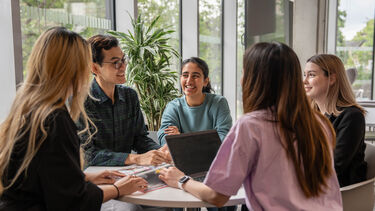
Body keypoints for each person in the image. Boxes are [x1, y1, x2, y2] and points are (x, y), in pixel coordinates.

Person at [158, 42, 342, 210]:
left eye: (244, 72)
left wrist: (181, 180)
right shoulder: (319, 123)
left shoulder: (251, 126)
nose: (241, 79)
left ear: (256, 79)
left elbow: (216, 196)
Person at [0, 27, 148, 211]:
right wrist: (118, 189)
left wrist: (84, 178)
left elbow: (44, 177)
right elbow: (74, 201)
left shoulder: (30, 109)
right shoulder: (54, 120)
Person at [79, 34, 170, 167]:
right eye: (115, 62)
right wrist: (134, 159)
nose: (123, 67)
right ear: (95, 68)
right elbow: (87, 154)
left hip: (128, 174)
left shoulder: (130, 96)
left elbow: (139, 139)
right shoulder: (81, 101)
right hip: (95, 177)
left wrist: (159, 151)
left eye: (123, 60)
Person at [304, 54, 367, 187]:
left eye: (311, 75)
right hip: (313, 185)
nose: (304, 81)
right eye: (305, 75)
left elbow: (333, 166)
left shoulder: (352, 117)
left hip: (339, 192)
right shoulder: (311, 115)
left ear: (332, 79)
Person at [157, 57, 232, 145]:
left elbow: (224, 139)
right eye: (185, 75)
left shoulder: (219, 103)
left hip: (213, 158)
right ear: (181, 78)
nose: (189, 81)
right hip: (182, 158)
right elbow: (165, 140)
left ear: (205, 81)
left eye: (195, 76)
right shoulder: (173, 107)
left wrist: (182, 139)